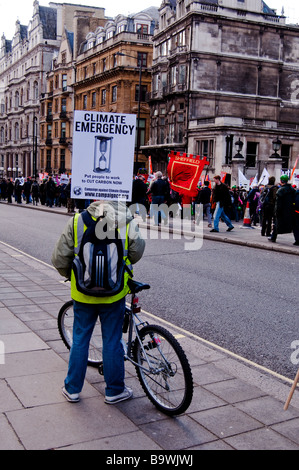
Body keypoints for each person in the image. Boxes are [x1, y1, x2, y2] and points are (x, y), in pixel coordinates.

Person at [51, 200, 145, 404]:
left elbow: (59, 259)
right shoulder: (125, 220)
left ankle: (73, 389)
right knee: (112, 340)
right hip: (115, 292)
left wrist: (74, 275)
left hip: (83, 294)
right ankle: (114, 390)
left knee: (80, 338)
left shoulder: (77, 221)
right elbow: (136, 253)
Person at [269, 174, 296, 243]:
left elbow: (278, 203)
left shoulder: (280, 190)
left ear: (281, 181)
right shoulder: (292, 190)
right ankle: (297, 239)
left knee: (276, 224)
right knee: (293, 225)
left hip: (281, 210)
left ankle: (273, 238)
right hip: (290, 210)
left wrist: (276, 211)